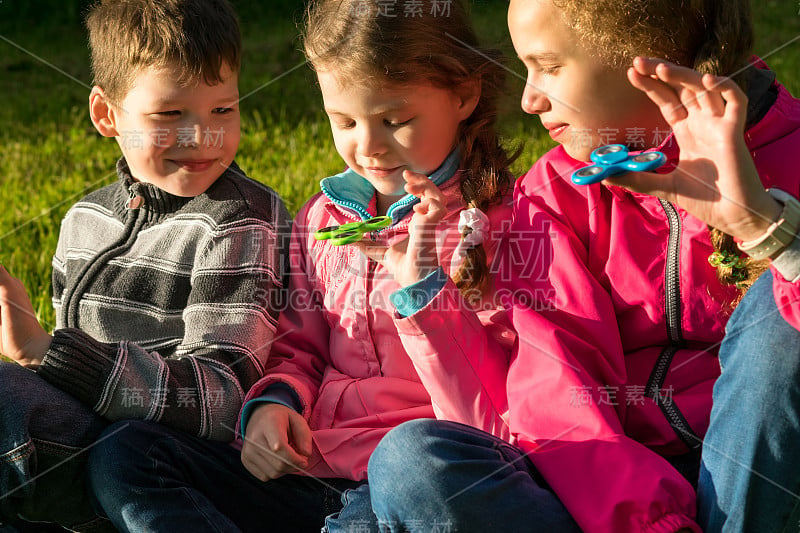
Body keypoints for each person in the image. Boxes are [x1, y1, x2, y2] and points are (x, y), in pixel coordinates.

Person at [367, 0, 800, 532]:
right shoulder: (555, 194)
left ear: (647, 62)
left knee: (779, 305)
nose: (528, 99)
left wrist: (766, 229)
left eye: (548, 67)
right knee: (412, 461)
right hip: (611, 500)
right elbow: (555, 390)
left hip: (769, 486)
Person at [86, 0, 519, 531]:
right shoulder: (324, 219)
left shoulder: (500, 225)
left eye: (396, 120)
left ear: (464, 95)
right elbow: (299, 347)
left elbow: (496, 411)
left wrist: (426, 292)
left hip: (402, 477)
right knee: (130, 452)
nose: (368, 145)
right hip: (310, 461)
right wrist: (274, 403)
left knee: (395, 478)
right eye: (344, 120)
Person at [0, 0, 289, 531]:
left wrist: (49, 354)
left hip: (166, 462)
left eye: (222, 110)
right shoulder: (84, 220)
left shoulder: (239, 221)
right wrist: (38, 363)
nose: (200, 137)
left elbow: (224, 402)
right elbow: (62, 379)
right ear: (106, 115)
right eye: (170, 115)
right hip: (90, 438)